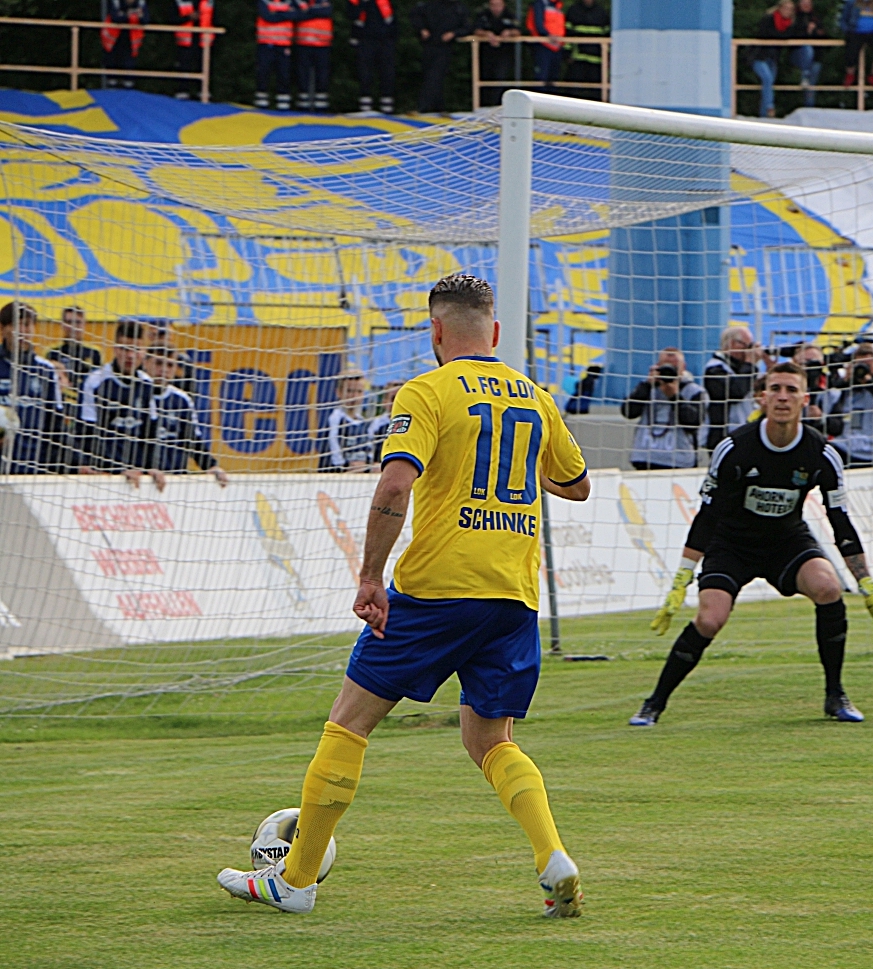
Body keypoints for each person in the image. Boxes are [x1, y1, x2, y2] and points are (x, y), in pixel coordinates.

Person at [216, 274, 592, 917]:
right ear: (494, 332)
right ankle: (553, 857)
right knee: (491, 741)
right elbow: (577, 485)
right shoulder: (536, 398)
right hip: (513, 595)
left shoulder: (426, 391)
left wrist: (369, 576)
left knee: (350, 719)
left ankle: (295, 881)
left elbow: (394, 487)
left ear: (436, 332)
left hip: (436, 590)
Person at [631, 361, 873, 728]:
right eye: (775, 389)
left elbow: (839, 520)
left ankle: (835, 695)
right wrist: (681, 579)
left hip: (787, 541)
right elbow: (707, 516)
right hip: (731, 543)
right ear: (761, 397)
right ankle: (654, 703)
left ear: (805, 399)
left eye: (791, 390)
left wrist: (869, 587)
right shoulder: (734, 447)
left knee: (828, 588)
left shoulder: (822, 453)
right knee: (710, 619)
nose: (783, 397)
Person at [78, 321, 158, 488]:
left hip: (136, 476)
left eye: (136, 349)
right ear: (115, 349)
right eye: (125, 349)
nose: (130, 355)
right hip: (104, 475)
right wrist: (118, 470)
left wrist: (152, 468)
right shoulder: (95, 382)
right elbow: (88, 434)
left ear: (143, 352)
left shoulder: (147, 384)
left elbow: (150, 435)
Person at [143, 347, 227, 486]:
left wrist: (211, 465)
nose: (164, 369)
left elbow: (192, 440)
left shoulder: (181, 399)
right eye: (158, 363)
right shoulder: (135, 394)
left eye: (170, 365)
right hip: (143, 479)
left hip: (175, 480)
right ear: (145, 363)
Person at [0, 303, 68, 475]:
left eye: (29, 325)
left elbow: (55, 422)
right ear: (3, 329)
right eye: (18, 324)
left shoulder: (45, 369)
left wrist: (52, 464)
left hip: (33, 466)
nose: (24, 331)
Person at [623, 354, 704, 471]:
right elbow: (628, 412)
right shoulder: (647, 387)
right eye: (665, 367)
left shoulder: (694, 391)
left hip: (680, 460)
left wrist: (675, 397)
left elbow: (693, 423)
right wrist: (646, 385)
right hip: (646, 456)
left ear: (683, 368)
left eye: (674, 367)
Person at [829, 342, 873, 467]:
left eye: (867, 364)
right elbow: (831, 425)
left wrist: (869, 382)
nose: (863, 369)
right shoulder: (845, 391)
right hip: (848, 449)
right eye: (860, 365)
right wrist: (845, 382)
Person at [702, 325, 764, 450]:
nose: (749, 350)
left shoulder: (742, 369)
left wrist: (769, 364)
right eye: (746, 345)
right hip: (722, 437)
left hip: (744, 431)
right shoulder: (714, 368)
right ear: (731, 344)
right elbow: (736, 391)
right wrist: (750, 364)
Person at [412, 0, 471, 112]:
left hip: (446, 47)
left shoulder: (458, 8)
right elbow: (415, 17)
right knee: (429, 75)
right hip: (429, 45)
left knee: (436, 75)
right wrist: (421, 29)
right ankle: (438, 106)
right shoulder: (428, 5)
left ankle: (423, 106)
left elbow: (467, 27)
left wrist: (454, 34)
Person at [751, 1, 800, 118]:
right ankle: (769, 108)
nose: (787, 11)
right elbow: (765, 34)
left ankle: (764, 115)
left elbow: (789, 36)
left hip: (773, 58)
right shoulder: (768, 19)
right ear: (779, 8)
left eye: (790, 9)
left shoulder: (790, 24)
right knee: (767, 79)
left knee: (769, 83)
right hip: (758, 56)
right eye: (786, 8)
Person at [350, 0, 398, 113]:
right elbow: (352, 15)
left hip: (385, 40)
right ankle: (365, 105)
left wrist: (392, 37)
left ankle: (387, 105)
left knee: (387, 72)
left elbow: (392, 19)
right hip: (365, 39)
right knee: (364, 72)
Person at [322, 373, 376, 472]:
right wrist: (346, 466)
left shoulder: (364, 423)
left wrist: (367, 466)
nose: (354, 396)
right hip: (338, 475)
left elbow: (370, 450)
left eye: (359, 391)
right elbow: (333, 449)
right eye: (349, 391)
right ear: (338, 392)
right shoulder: (335, 419)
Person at [473, 0, 522, 105]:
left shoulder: (510, 15)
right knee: (485, 78)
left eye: (498, 5)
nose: (495, 8)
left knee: (501, 78)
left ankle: (499, 105)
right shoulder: (483, 15)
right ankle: (484, 105)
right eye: (493, 5)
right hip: (486, 53)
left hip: (504, 54)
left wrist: (509, 32)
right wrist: (486, 34)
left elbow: (518, 31)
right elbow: (475, 30)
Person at [255, 0, 297, 110]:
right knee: (263, 72)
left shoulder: (290, 2)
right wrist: (285, 14)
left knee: (284, 74)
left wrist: (276, 13)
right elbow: (267, 16)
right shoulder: (264, 1)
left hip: (283, 45)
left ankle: (283, 104)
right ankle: (262, 102)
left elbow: (296, 15)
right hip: (266, 43)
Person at [564, 0, 609, 99]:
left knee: (596, 89)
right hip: (578, 57)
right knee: (573, 87)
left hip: (596, 58)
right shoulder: (574, 10)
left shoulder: (601, 12)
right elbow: (568, 33)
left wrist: (607, 57)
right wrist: (567, 53)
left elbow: (607, 34)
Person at [840, 0, 873, 91]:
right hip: (856, 32)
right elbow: (844, 19)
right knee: (850, 54)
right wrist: (847, 31)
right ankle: (850, 74)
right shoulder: (851, 2)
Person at [173, 0, 215, 100]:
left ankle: (203, 91)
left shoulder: (209, 1)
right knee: (184, 64)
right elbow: (173, 18)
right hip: (186, 39)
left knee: (204, 65)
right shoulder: (180, 1)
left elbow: (214, 18)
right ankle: (183, 90)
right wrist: (188, 17)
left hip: (204, 39)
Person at [102, 0, 149, 90]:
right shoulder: (115, 1)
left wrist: (125, 15)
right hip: (113, 38)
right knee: (111, 62)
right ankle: (111, 86)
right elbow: (115, 17)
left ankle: (128, 87)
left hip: (131, 38)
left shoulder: (141, 2)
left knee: (129, 64)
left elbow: (145, 19)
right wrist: (131, 15)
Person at [790, 0, 826, 108]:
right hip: (798, 53)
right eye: (803, 3)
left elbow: (824, 35)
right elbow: (792, 35)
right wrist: (807, 31)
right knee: (807, 49)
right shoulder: (794, 17)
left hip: (816, 56)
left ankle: (809, 107)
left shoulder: (816, 18)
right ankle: (804, 75)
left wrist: (814, 32)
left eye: (808, 3)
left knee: (812, 83)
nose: (806, 6)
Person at [527, 0, 567, 91]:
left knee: (553, 79)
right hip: (543, 46)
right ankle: (539, 103)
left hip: (556, 47)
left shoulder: (558, 6)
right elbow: (538, 25)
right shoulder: (540, 4)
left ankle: (551, 103)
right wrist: (548, 35)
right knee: (541, 78)